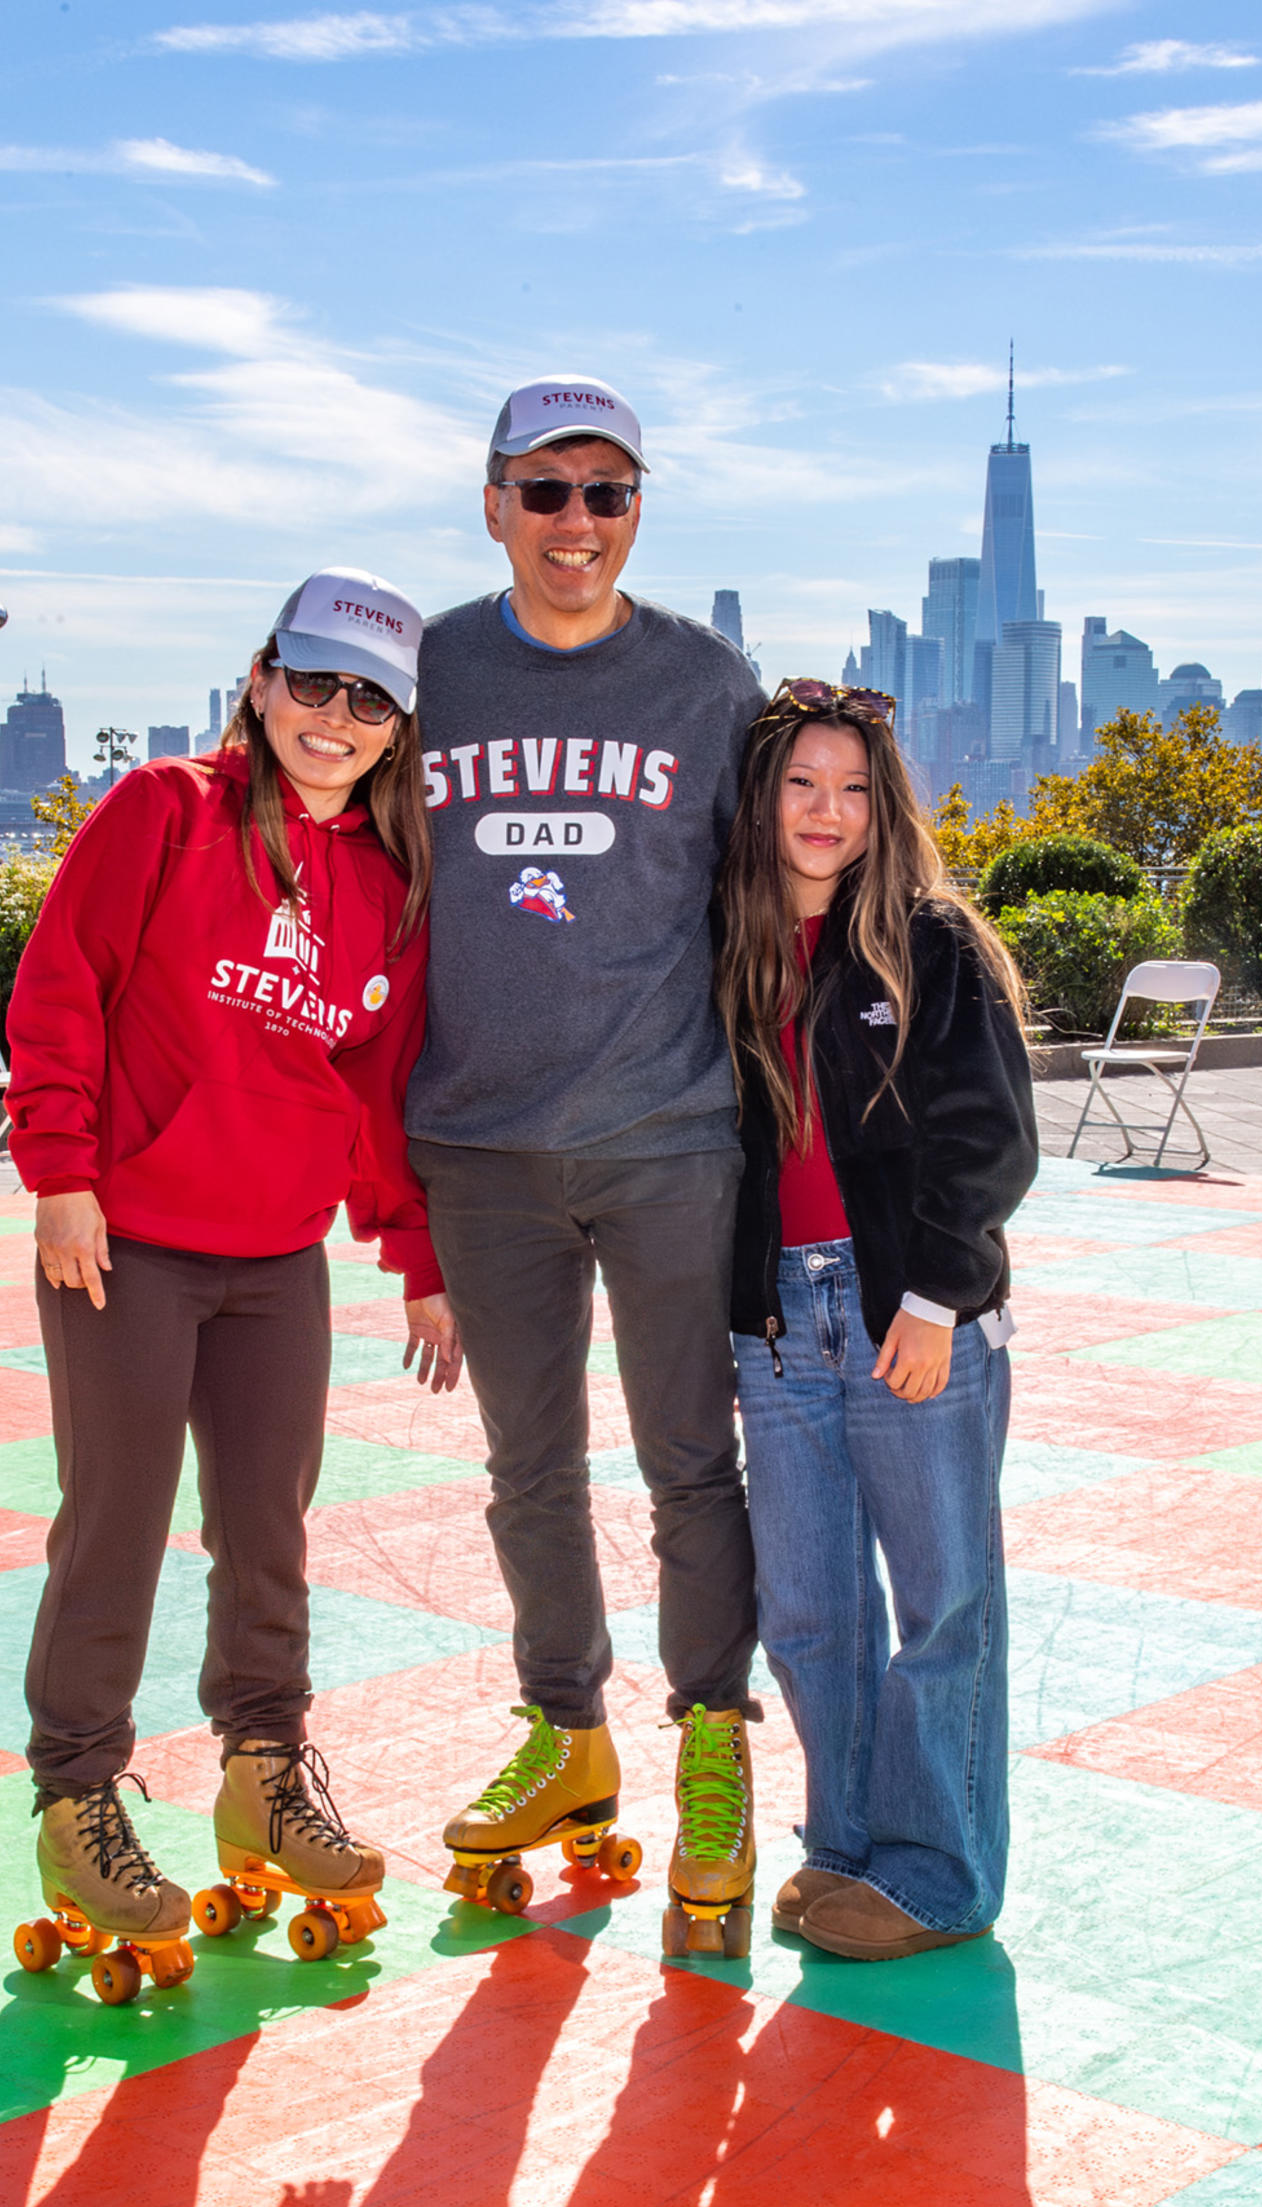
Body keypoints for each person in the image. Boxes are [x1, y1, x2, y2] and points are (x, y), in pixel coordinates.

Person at [4, 567, 462, 1978]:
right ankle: (79, 1797)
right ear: (262, 684)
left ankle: (265, 1774)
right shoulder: (163, 812)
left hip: (278, 1259)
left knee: (270, 1531)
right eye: (313, 684)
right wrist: (63, 1175)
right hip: (127, 1245)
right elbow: (62, 982)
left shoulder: (386, 888)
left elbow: (378, 1094)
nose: (335, 718)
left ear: (397, 731)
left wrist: (416, 1257)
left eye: (368, 700)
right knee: (118, 1523)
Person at [408, 375, 766, 1954]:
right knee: (527, 1469)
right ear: (491, 503)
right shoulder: (422, 670)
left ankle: (709, 1740)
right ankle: (570, 1732)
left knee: (691, 1462)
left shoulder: (707, 683)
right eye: (543, 491)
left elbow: (774, 889)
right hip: (477, 1148)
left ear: (639, 513)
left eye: (606, 493)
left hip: (669, 1135)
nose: (574, 522)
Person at [717, 680, 1038, 1961]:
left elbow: (990, 1138)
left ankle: (938, 1876)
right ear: (765, 797)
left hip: (909, 1307)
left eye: (853, 788)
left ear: (882, 806)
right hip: (778, 1323)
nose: (827, 811)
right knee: (807, 1606)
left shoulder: (928, 942)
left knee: (943, 1603)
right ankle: (846, 1847)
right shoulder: (727, 945)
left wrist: (934, 1300)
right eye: (803, 784)